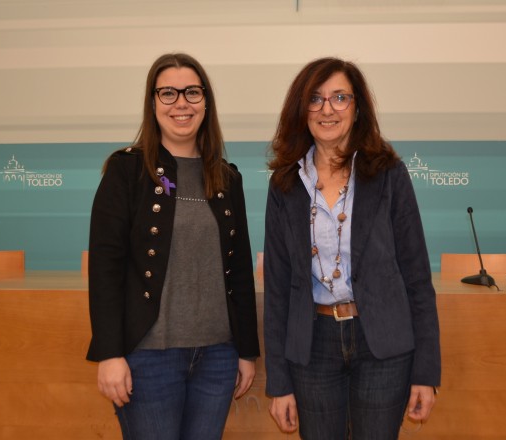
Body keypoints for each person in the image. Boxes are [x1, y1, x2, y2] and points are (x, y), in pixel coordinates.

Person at [263, 57, 441, 439]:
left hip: (382, 345)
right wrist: (278, 382)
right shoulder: (285, 184)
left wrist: (426, 373)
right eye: (315, 99)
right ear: (302, 110)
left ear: (357, 108)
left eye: (339, 97)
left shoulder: (389, 173)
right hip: (313, 347)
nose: (327, 109)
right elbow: (277, 289)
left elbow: (417, 278)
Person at [86, 53, 260, 440]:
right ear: (152, 104)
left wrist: (246, 351)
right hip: (148, 358)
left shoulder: (228, 178)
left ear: (206, 102)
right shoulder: (126, 170)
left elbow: (240, 270)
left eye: (192, 92)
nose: (181, 103)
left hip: (217, 357)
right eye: (168, 93)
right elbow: (105, 269)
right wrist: (109, 354)